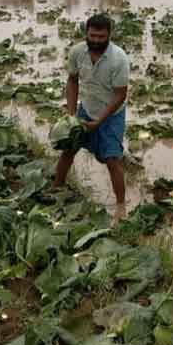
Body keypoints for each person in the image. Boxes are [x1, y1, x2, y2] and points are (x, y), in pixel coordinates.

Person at [53, 14, 129, 205]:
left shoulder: (118, 59)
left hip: (111, 114)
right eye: (92, 36)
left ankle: (121, 206)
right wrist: (71, 114)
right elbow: (72, 80)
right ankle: (55, 188)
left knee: (112, 160)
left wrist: (99, 122)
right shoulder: (77, 52)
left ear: (109, 35)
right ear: (86, 33)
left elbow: (120, 95)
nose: (96, 41)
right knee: (68, 149)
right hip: (86, 109)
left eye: (101, 37)